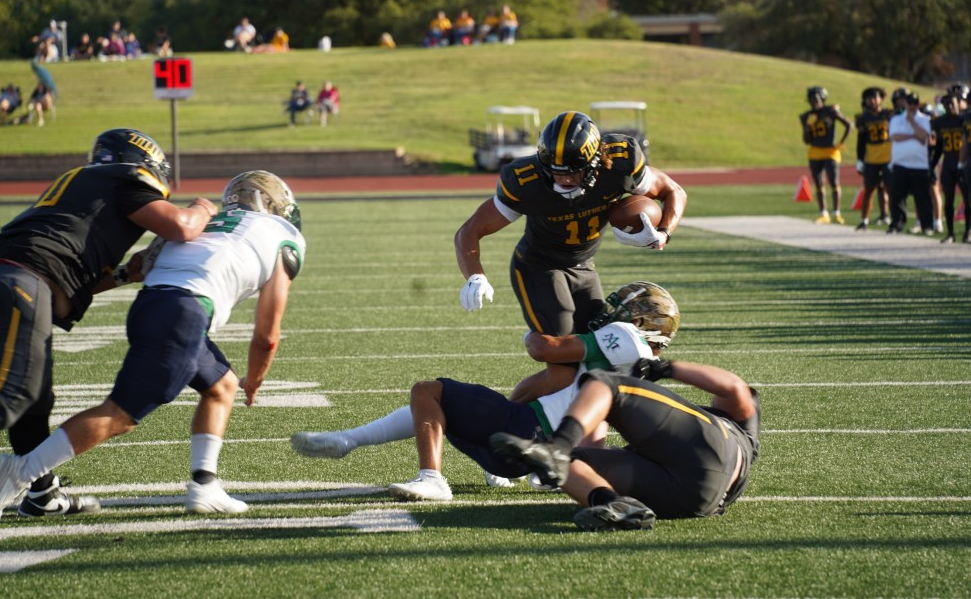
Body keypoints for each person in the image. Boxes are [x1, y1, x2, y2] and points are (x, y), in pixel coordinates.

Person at [0, 170, 305, 528]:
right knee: (120, 415)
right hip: (183, 313)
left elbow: (138, 267)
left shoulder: (205, 220)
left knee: (221, 385)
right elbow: (267, 332)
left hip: (151, 306)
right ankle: (23, 470)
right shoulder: (282, 235)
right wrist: (256, 379)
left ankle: (205, 485)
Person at [0, 128, 218, 525]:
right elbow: (182, 226)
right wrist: (203, 208)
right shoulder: (125, 179)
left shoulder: (89, 184)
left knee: (34, 403)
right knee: (7, 403)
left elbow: (73, 280)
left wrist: (126, 273)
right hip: (20, 284)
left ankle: (41, 493)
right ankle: (37, 488)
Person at [291, 281, 680, 501]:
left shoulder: (627, 340)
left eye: (620, 310)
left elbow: (543, 350)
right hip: (541, 448)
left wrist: (535, 322)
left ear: (641, 322)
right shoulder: (637, 370)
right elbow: (549, 389)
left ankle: (430, 478)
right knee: (440, 410)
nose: (610, 315)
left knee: (428, 392)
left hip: (530, 431)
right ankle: (348, 439)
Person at [455, 111, 686, 400]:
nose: (564, 178)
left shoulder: (619, 163)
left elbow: (673, 190)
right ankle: (510, 414)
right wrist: (475, 276)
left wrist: (663, 232)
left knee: (601, 362)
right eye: (556, 171)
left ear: (596, 161)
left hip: (584, 266)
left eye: (573, 171)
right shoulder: (526, 181)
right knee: (563, 371)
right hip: (539, 267)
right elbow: (470, 231)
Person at [489, 349, 760, 531]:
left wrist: (664, 368)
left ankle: (557, 448)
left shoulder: (737, 425)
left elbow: (734, 387)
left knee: (607, 382)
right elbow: (591, 449)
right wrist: (602, 412)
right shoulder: (736, 442)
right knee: (570, 462)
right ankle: (614, 504)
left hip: (710, 453)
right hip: (699, 501)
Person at [800, 86, 851, 224]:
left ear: (822, 99)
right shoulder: (806, 116)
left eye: (817, 99)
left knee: (834, 182)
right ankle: (823, 213)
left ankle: (836, 213)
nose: (814, 102)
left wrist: (841, 142)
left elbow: (849, 125)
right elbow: (806, 140)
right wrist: (807, 128)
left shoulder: (830, 111)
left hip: (831, 151)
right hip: (815, 151)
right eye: (812, 100)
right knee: (819, 183)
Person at [887, 89, 934, 236]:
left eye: (915, 103)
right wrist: (914, 136)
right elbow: (894, 136)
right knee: (898, 196)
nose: (912, 106)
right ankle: (897, 224)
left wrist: (912, 122)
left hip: (919, 165)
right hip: (900, 163)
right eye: (910, 103)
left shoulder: (924, 119)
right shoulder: (896, 119)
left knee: (923, 197)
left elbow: (923, 136)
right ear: (905, 104)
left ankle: (927, 225)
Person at [930, 93, 969, 243]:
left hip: (963, 163)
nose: (950, 106)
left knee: (967, 199)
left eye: (952, 103)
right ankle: (950, 233)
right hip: (948, 164)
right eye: (946, 104)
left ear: (958, 103)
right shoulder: (940, 122)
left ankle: (967, 232)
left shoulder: (964, 119)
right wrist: (932, 166)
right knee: (949, 200)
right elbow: (938, 147)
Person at [853, 87, 892, 230]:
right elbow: (861, 141)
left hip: (888, 157)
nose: (872, 101)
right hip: (871, 158)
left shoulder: (889, 114)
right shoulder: (863, 118)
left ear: (881, 99)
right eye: (869, 98)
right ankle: (864, 220)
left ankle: (893, 218)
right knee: (869, 189)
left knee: (890, 189)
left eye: (875, 97)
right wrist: (859, 159)